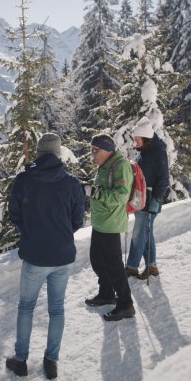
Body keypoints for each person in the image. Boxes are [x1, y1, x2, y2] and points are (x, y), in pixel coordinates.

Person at [6, 133, 85, 380]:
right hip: (62, 256)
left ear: (39, 154)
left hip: (35, 256)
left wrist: (29, 233)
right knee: (57, 309)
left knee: (26, 307)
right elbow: (77, 220)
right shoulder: (71, 183)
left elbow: (14, 214)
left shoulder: (24, 180)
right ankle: (51, 362)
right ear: (58, 154)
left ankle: (20, 361)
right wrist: (60, 235)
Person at [84, 133, 135, 321]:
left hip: (111, 224)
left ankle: (126, 305)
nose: (93, 155)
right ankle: (106, 293)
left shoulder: (120, 166)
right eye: (91, 151)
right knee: (97, 260)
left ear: (107, 150)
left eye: (95, 151)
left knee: (114, 266)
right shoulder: (105, 165)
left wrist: (96, 192)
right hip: (101, 222)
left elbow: (121, 196)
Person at [125, 117, 170, 280]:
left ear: (145, 137)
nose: (134, 141)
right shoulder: (143, 152)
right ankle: (152, 266)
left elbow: (164, 179)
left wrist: (156, 201)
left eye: (137, 138)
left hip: (150, 199)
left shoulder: (158, 152)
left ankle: (131, 267)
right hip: (140, 198)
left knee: (139, 233)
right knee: (146, 232)